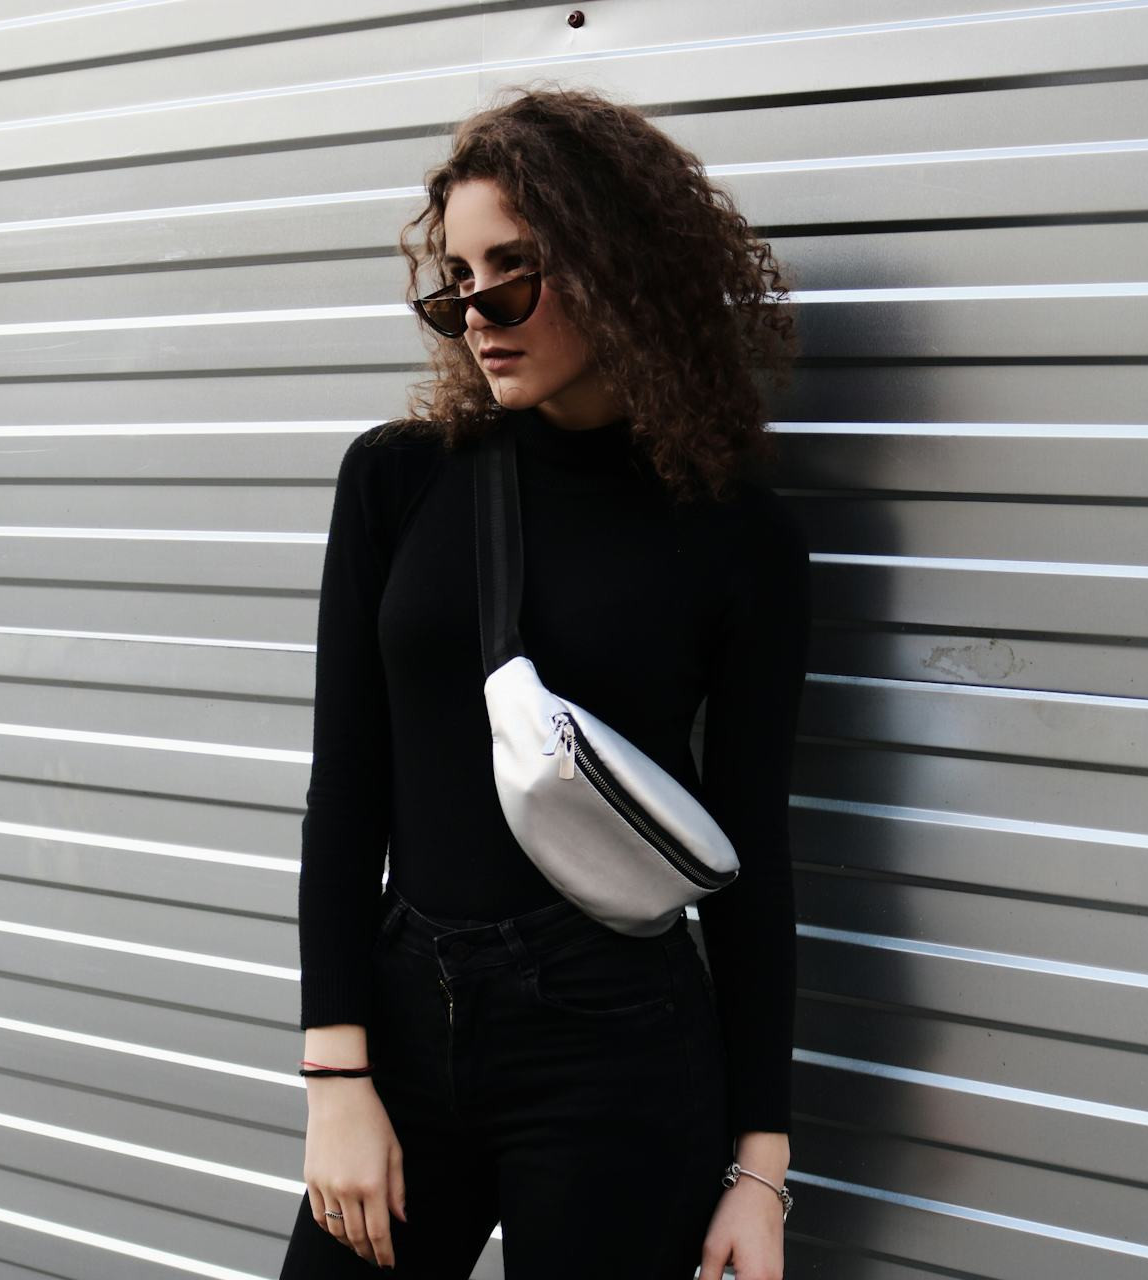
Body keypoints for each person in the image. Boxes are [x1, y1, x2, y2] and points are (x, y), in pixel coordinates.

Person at [280, 84, 811, 1280]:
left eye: (513, 273)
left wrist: (760, 1169)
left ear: (618, 266)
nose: (477, 314)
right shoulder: (401, 479)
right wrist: (335, 1076)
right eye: (457, 282)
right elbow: (345, 791)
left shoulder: (738, 535)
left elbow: (755, 854)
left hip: (616, 1046)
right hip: (406, 1020)